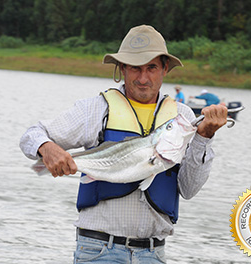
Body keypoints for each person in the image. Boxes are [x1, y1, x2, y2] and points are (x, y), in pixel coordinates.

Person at [19, 25, 227, 264]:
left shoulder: (182, 117)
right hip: (98, 251)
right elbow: (31, 135)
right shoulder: (95, 109)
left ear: (165, 69)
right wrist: (47, 148)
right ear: (121, 69)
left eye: (152, 68)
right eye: (135, 68)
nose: (143, 78)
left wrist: (204, 137)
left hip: (154, 254)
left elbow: (189, 189)